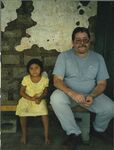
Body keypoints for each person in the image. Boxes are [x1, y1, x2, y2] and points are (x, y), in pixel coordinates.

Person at [50, 27, 114, 147]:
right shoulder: (64, 56)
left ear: (89, 42)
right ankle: (74, 133)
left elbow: (102, 84)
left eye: (85, 39)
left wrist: (92, 95)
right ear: (73, 42)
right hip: (69, 94)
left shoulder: (98, 58)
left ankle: (98, 129)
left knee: (111, 108)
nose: (82, 43)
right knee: (55, 99)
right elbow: (57, 81)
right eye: (78, 40)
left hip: (90, 94)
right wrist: (72, 93)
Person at [16, 58, 50, 144]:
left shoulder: (44, 79)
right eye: (31, 68)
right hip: (27, 99)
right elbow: (21, 92)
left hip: (39, 99)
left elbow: (45, 92)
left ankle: (46, 136)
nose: (34, 70)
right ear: (28, 70)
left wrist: (40, 98)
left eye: (36, 68)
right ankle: (24, 135)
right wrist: (30, 98)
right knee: (22, 113)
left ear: (41, 69)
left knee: (44, 113)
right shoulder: (26, 78)